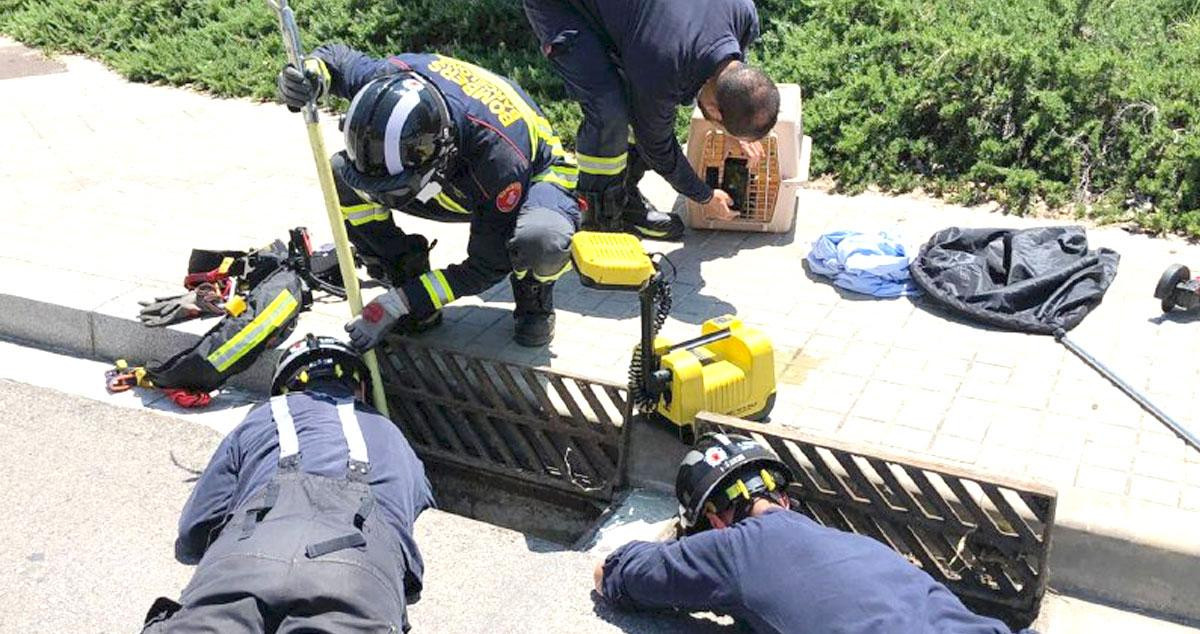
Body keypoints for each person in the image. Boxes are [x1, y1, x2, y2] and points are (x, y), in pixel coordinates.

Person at [277, 44, 582, 349]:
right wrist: (308, 76)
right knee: (340, 174)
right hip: (455, 173)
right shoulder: (384, 81)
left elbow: (487, 266)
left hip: (535, 176)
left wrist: (396, 305)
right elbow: (334, 56)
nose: (381, 197)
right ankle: (403, 266)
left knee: (540, 240)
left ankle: (533, 291)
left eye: (394, 188)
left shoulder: (498, 161)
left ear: (438, 153)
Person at [594, 433, 1033, 634]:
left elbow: (613, 574)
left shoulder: (732, 551)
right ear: (784, 499)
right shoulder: (860, 547)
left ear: (713, 520)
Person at [142, 335, 434, 632]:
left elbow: (194, 530)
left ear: (284, 389)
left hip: (244, 558)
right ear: (359, 388)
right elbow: (409, 525)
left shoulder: (261, 418)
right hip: (356, 575)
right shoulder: (394, 438)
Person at [523, 0, 781, 240]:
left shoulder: (743, 12)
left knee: (644, 106)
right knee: (609, 111)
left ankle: (625, 198)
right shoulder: (664, 63)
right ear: (717, 109)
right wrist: (704, 196)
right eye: (721, 124)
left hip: (630, 18)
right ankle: (601, 218)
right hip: (562, 8)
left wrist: (733, 129)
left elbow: (734, 77)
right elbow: (656, 146)